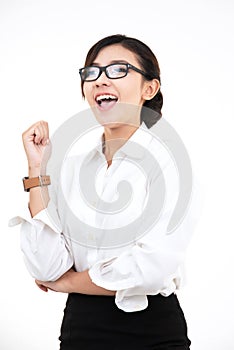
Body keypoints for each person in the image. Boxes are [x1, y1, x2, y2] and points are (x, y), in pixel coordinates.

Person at [10, 34, 198, 349]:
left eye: (118, 70)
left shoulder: (171, 165)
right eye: (92, 72)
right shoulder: (70, 168)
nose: (100, 81)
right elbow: (45, 266)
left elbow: (148, 270)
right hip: (79, 328)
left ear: (148, 89)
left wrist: (68, 282)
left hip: (151, 332)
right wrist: (37, 171)